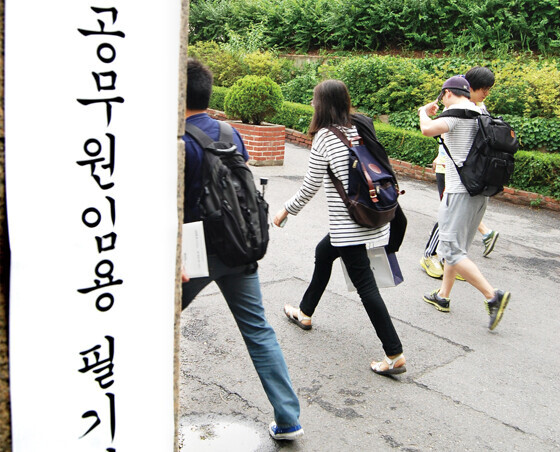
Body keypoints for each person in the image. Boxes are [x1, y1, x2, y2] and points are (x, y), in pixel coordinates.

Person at [182, 58, 304, 441]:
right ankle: (289, 419)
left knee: (148, 325)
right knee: (258, 329)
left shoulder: (180, 143)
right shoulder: (228, 131)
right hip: (239, 245)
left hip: (195, 254)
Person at [274, 79, 406, 375]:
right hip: (374, 214)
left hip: (351, 226)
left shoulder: (324, 137)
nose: (312, 103)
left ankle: (394, 353)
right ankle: (305, 312)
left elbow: (309, 186)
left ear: (322, 105)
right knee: (323, 253)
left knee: (366, 288)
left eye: (314, 99)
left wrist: (285, 210)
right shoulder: (360, 125)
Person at [418, 75, 511, 330]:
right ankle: (443, 296)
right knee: (457, 249)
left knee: (451, 251)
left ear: (448, 93)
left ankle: (493, 296)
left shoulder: (456, 113)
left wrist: (423, 112)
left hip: (459, 192)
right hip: (479, 192)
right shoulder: (479, 111)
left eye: (442, 96)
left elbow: (427, 130)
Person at [420, 66, 500, 280]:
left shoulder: (478, 108)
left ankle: (452, 265)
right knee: (447, 217)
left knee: (456, 219)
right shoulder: (460, 106)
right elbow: (440, 131)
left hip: (468, 173)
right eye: (482, 88)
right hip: (450, 170)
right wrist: (439, 155)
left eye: (488, 89)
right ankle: (431, 256)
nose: (485, 93)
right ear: (468, 87)